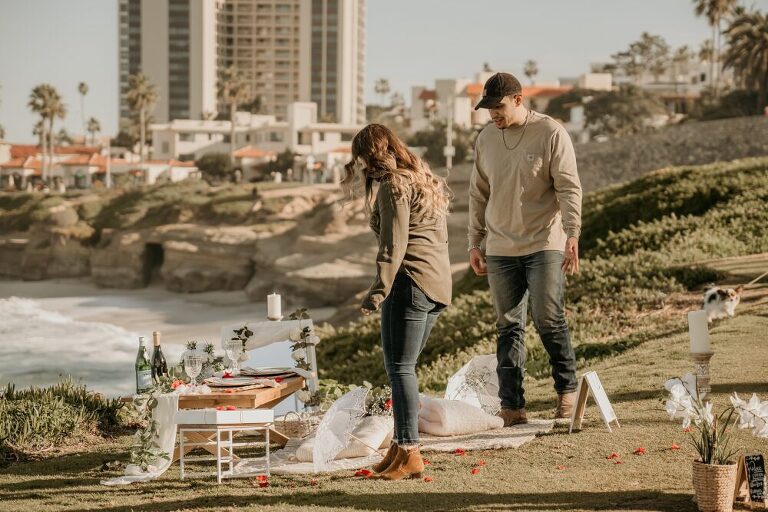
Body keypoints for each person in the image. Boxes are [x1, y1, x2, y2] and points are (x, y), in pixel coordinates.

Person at [468, 72, 582, 426]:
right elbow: (478, 193)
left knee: (548, 318)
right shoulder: (486, 138)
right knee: (508, 327)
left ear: (519, 99)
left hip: (544, 242)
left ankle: (567, 390)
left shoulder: (550, 132)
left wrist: (573, 233)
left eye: (498, 107)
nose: (493, 115)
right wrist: (474, 241)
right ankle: (512, 406)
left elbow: (568, 187)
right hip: (500, 247)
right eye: (488, 109)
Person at [342, 124, 451, 480]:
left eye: (363, 159)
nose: (363, 167)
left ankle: (409, 450)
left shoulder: (393, 185)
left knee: (400, 369)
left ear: (372, 155)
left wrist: (377, 292)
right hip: (437, 285)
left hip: (409, 283)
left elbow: (393, 245)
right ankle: (399, 449)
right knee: (406, 369)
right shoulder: (422, 178)